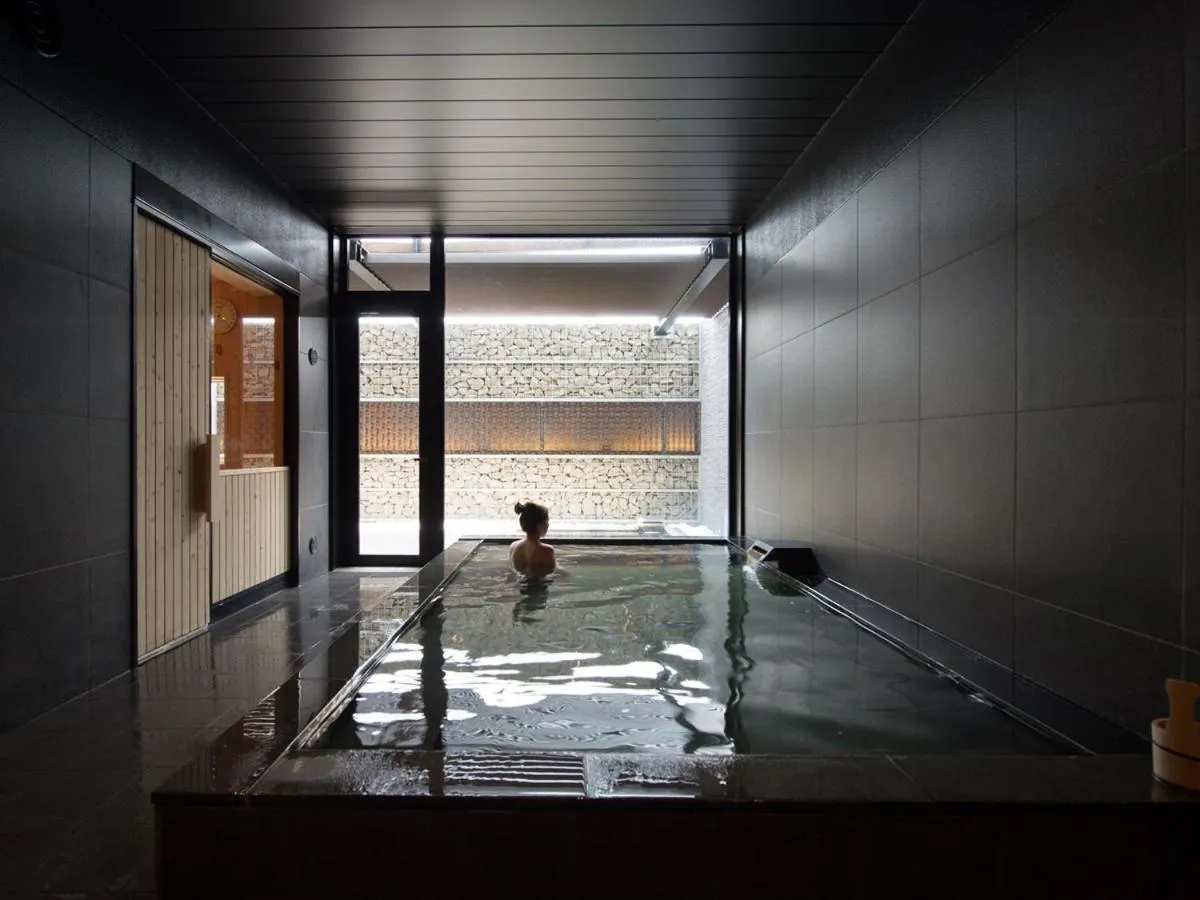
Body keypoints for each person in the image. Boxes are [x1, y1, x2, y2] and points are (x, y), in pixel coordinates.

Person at [509, 501, 557, 582]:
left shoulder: (513, 546)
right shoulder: (547, 550)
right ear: (539, 526)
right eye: (546, 522)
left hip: (520, 585)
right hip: (540, 587)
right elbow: (554, 573)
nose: (548, 525)